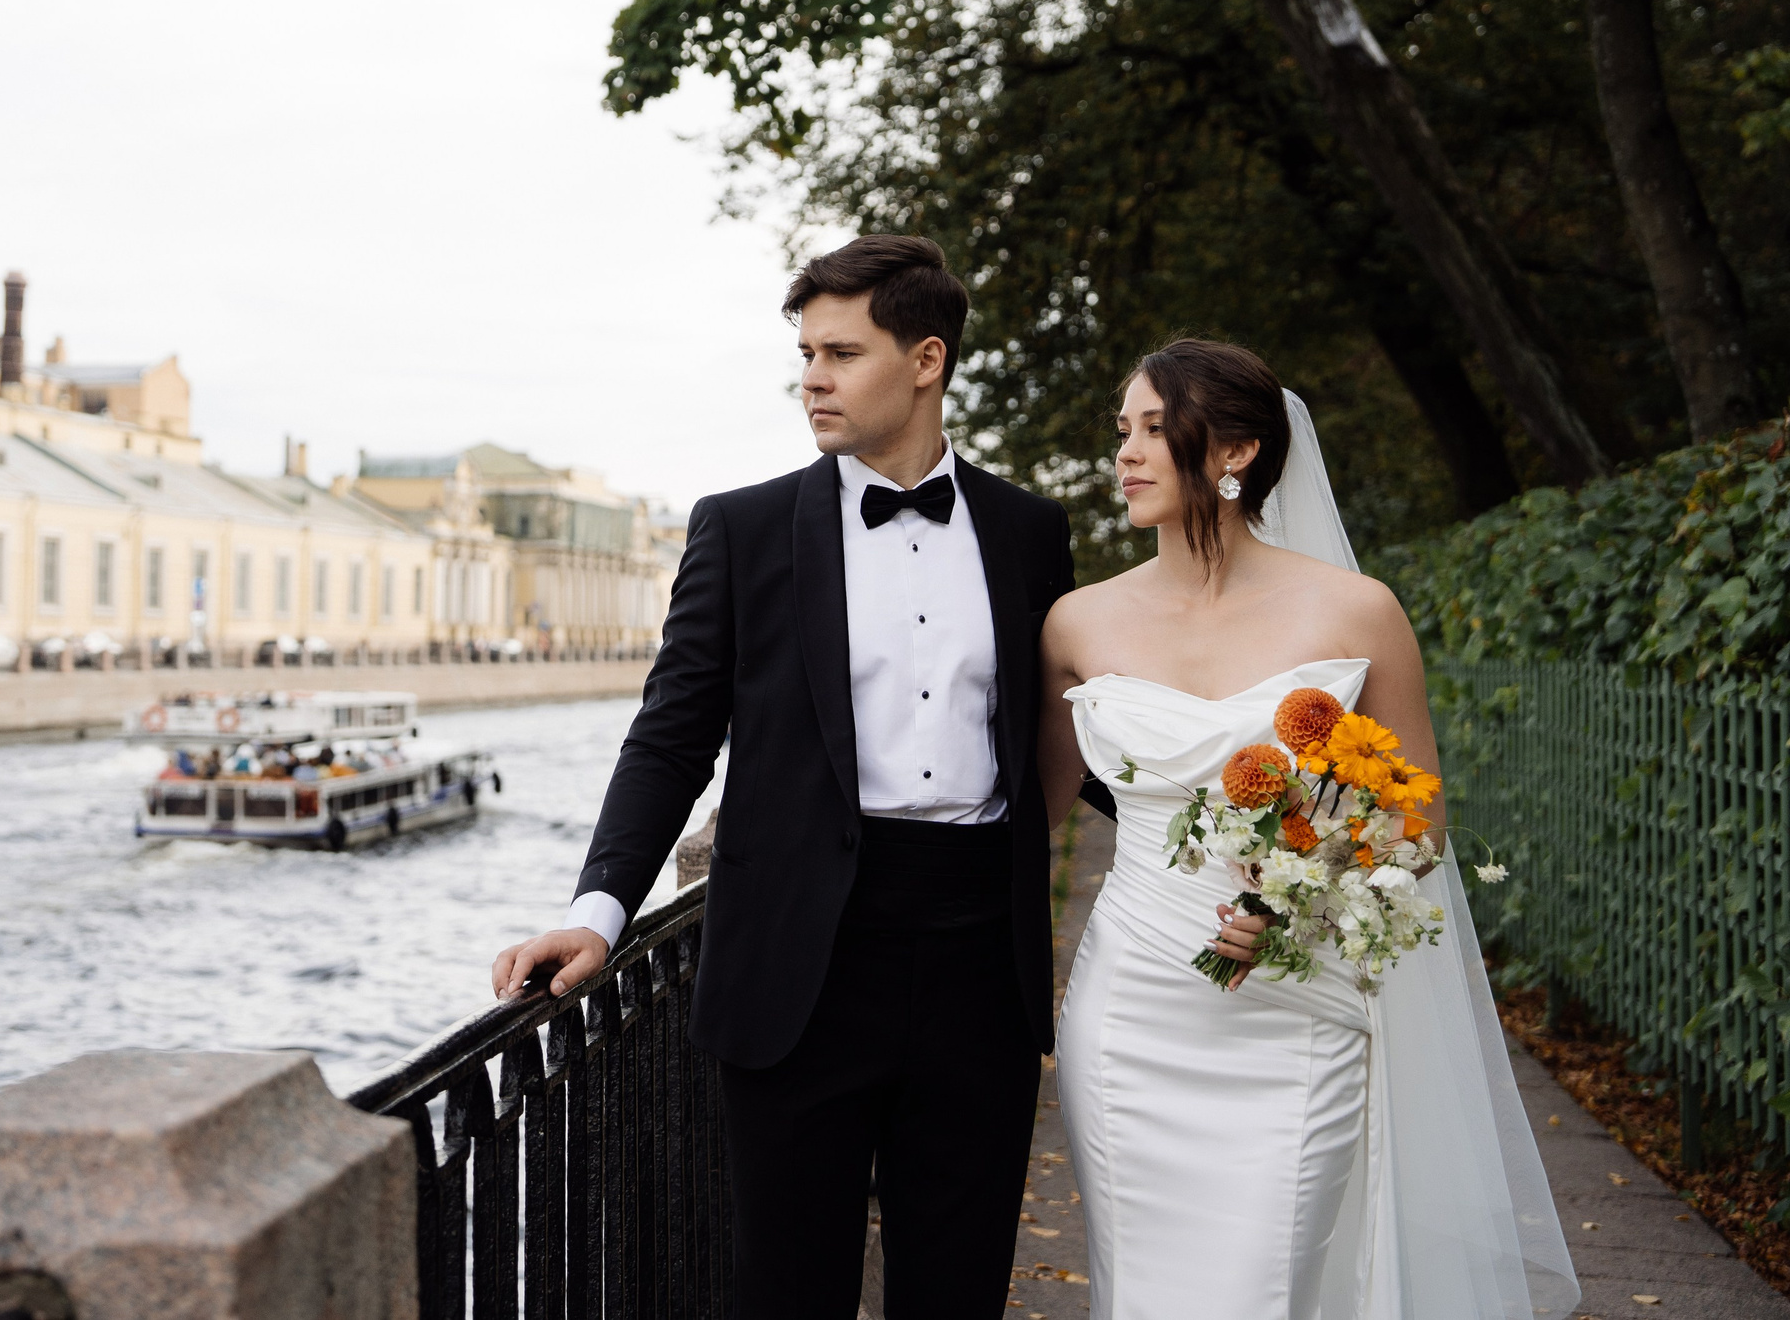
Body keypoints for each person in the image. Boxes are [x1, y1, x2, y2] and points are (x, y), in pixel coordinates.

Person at [491, 234, 1083, 1319]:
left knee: (957, 1290)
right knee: (787, 1289)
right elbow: (672, 734)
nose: (810, 376)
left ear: (926, 358)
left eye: (841, 351)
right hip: (799, 962)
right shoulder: (743, 526)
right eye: (803, 352)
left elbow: (1079, 728)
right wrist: (597, 909)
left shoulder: (1029, 531)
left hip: (975, 967)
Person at [1039, 339, 1576, 1318]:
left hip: (1295, 1005)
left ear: (1236, 449)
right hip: (1131, 1010)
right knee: (1140, 1288)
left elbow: (1416, 816)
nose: (1126, 451)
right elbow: (1022, 816)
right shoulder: (1074, 622)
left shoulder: (1357, 612)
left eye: (1155, 428)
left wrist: (1304, 896)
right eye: (1122, 429)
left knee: (1267, 1283)